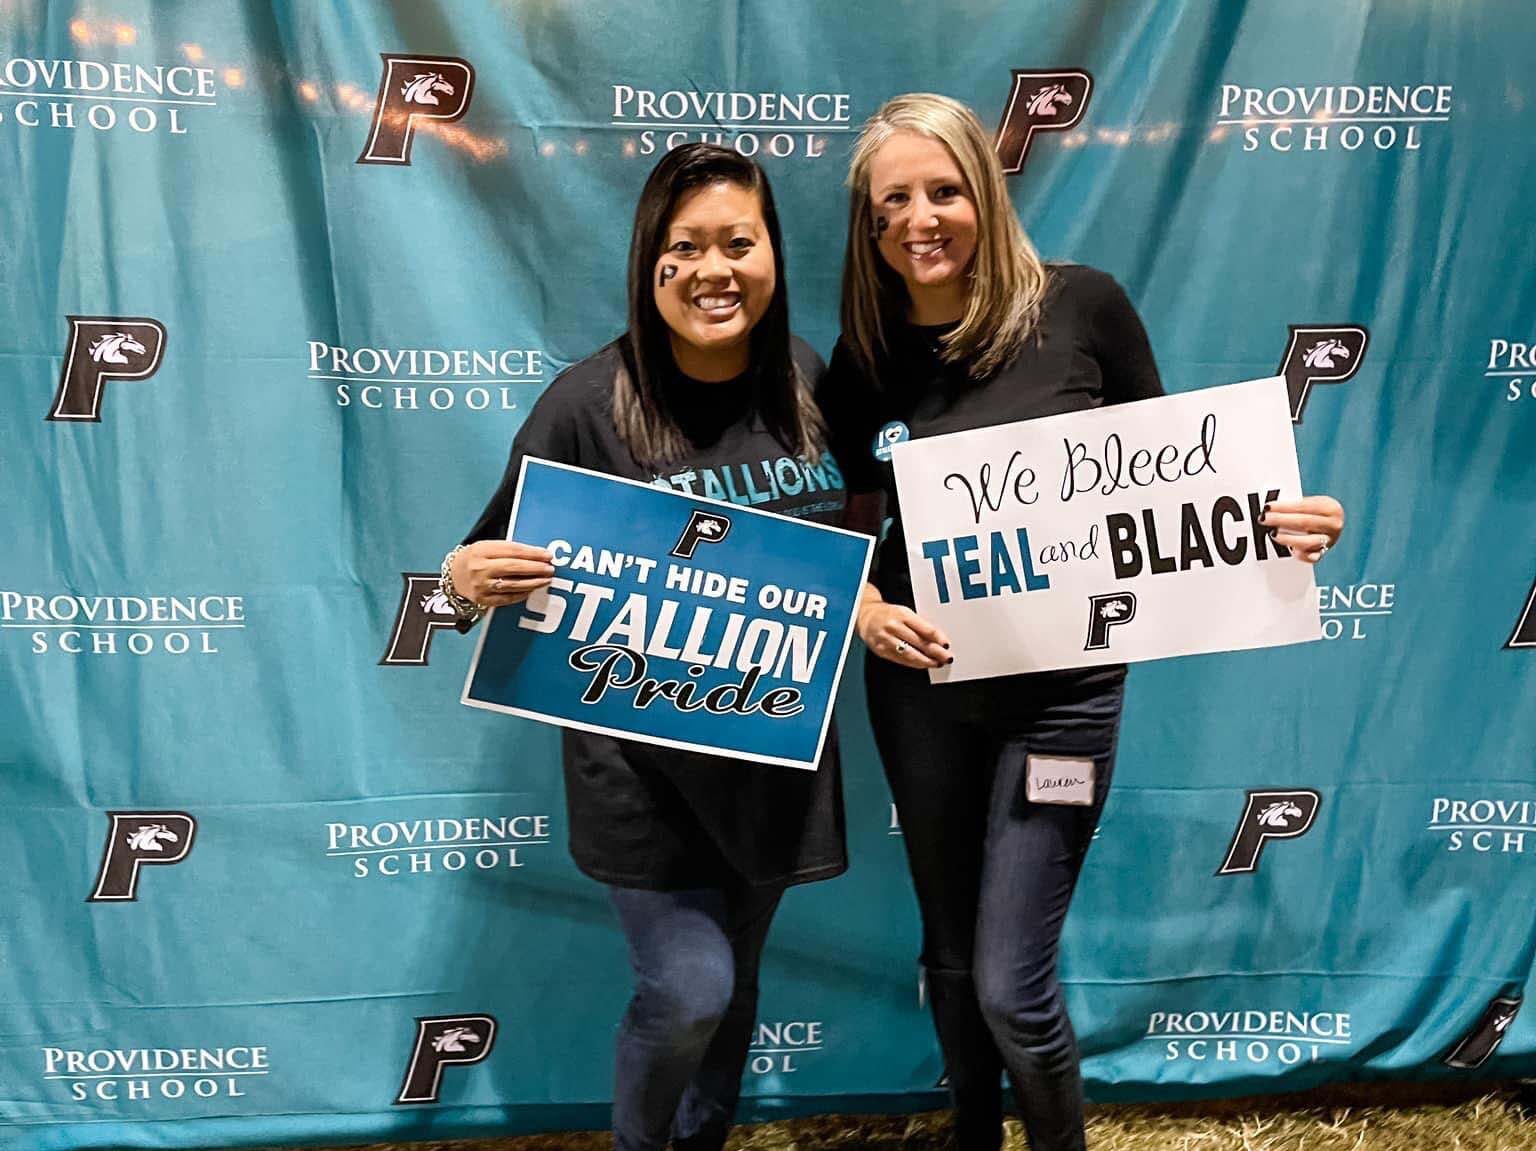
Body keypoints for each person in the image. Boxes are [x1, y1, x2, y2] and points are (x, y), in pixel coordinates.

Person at [818, 93, 1346, 1151]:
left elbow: (1183, 481)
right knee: (953, 954)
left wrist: (1283, 521)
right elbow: (846, 526)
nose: (920, 219)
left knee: (1013, 981)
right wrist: (867, 606)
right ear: (869, 227)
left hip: (1061, 702)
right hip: (921, 694)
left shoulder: (1083, 308)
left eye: (943, 189)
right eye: (892, 203)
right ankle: (973, 1132)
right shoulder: (861, 359)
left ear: (986, 189)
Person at [439, 143, 846, 1151]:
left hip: (768, 765)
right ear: (649, 261)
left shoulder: (807, 380)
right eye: (687, 246)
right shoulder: (586, 402)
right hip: (641, 780)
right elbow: (479, 554)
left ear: (774, 254)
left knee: (735, 984)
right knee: (690, 989)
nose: (715, 269)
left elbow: (866, 543)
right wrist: (459, 584)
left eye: (738, 243)